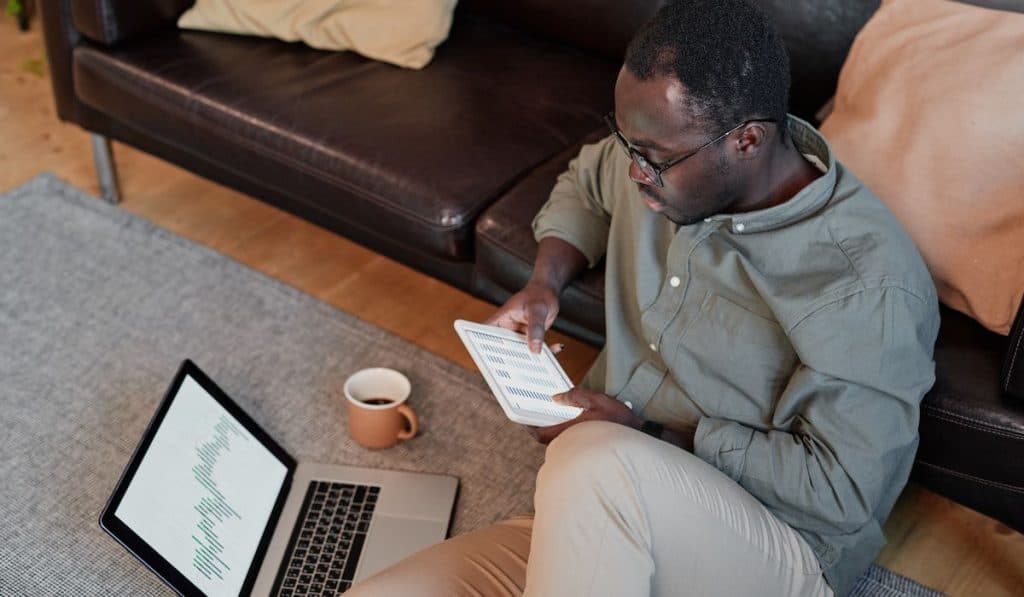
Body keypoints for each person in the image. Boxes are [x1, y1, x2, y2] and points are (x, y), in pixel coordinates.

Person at [348, 0, 939, 595]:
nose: (635, 173)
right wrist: (544, 283)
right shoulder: (662, 159)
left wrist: (646, 433)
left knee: (593, 461)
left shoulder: (866, 285)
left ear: (748, 142)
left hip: (772, 550)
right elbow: (586, 182)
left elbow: (841, 495)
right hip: (609, 504)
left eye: (652, 159)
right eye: (626, 144)